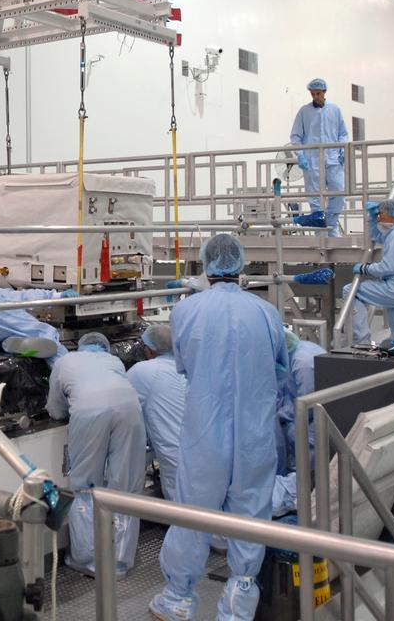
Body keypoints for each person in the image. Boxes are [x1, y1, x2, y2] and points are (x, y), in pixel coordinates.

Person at [150, 234, 289, 621]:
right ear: (241, 265)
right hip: (254, 432)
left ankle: (178, 597)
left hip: (204, 429)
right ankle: (239, 601)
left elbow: (182, 365)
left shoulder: (186, 311)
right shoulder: (266, 312)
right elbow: (281, 367)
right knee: (251, 513)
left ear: (205, 266)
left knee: (195, 513)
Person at [46, 332, 147, 576]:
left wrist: (59, 415)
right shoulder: (115, 361)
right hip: (130, 411)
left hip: (89, 412)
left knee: (84, 485)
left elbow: (56, 405)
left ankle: (86, 559)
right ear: (104, 347)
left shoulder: (64, 361)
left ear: (80, 347)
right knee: (125, 485)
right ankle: (120, 562)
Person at [342, 199, 394, 344]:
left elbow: (388, 268)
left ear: (392, 214)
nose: (379, 217)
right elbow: (378, 237)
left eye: (381, 214)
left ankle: (361, 341)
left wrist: (364, 268)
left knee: (350, 291)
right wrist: (372, 219)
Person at [127, 323, 187, 501]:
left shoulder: (143, 371)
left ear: (150, 351)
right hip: (206, 451)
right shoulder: (186, 367)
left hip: (176, 459)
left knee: (186, 517)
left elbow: (117, 398)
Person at [272, 330, 327, 515]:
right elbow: (283, 392)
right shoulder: (288, 358)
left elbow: (308, 405)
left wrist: (283, 414)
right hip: (297, 416)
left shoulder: (303, 362)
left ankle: (303, 492)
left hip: (313, 422)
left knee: (306, 469)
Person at [289, 78, 349, 237]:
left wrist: (342, 150)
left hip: (333, 158)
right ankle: (320, 234)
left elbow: (343, 134)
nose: (315, 96)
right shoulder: (304, 112)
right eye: (313, 94)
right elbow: (295, 136)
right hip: (312, 160)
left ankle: (331, 226)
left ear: (324, 92)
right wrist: (301, 155)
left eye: (318, 93)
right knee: (315, 196)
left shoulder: (335, 110)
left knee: (339, 190)